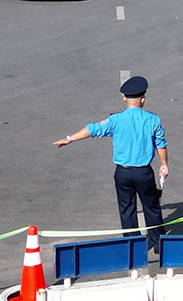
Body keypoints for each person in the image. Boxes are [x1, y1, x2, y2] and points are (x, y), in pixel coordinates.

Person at [53, 76, 170, 253]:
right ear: (143, 99)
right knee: (151, 208)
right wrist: (164, 164)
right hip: (144, 173)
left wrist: (69, 139)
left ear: (124, 99)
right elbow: (160, 144)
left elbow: (92, 129)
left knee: (127, 210)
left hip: (122, 174)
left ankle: (133, 246)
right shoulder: (153, 120)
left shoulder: (115, 120)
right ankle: (159, 245)